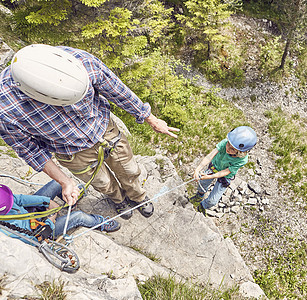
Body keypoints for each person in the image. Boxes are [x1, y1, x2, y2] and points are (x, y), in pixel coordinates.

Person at [0, 44, 179, 219]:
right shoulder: (5, 109)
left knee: (130, 170)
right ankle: (118, 200)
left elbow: (117, 91)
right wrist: (65, 181)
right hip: (70, 151)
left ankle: (138, 197)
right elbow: (30, 151)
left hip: (104, 130)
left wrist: (151, 119)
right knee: (102, 183)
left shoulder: (81, 62)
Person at [0, 180, 120, 245]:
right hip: (40, 230)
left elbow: (19, 199)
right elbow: (34, 239)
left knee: (57, 183)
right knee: (78, 217)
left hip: (30, 213)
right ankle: (100, 222)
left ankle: (70, 200)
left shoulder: (4, 199)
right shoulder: (6, 231)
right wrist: (51, 219)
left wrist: (47, 202)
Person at [190, 126, 257, 213]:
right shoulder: (224, 143)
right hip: (215, 166)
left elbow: (226, 171)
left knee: (213, 201)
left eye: (232, 149)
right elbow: (210, 156)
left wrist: (210, 176)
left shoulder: (242, 160)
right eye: (228, 144)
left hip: (225, 176)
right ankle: (199, 195)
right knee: (202, 183)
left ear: (241, 152)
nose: (228, 148)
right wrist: (198, 169)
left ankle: (203, 206)